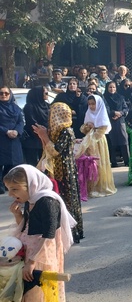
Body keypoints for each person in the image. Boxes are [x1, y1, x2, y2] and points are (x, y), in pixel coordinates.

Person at [5, 165, 75, 302]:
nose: (11, 194)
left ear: (31, 184)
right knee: (26, 297)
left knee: (38, 297)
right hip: (31, 251)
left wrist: (32, 261)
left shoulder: (47, 201)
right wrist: (18, 215)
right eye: (9, 189)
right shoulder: (32, 199)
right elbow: (28, 225)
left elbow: (49, 234)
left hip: (42, 254)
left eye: (15, 189)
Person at [34, 103, 83, 243]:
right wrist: (42, 135)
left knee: (67, 200)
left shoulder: (67, 131)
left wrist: (45, 136)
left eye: (53, 113)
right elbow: (48, 150)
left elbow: (55, 151)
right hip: (56, 170)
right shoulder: (55, 131)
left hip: (65, 171)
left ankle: (72, 233)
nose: (51, 116)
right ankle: (59, 232)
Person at [78, 95, 117, 197]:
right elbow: (83, 128)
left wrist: (93, 127)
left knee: (99, 163)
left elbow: (102, 130)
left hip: (98, 141)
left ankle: (100, 186)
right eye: (89, 104)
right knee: (90, 164)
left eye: (93, 104)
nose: (91, 106)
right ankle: (91, 187)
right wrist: (87, 127)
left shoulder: (102, 114)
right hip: (89, 142)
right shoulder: (88, 113)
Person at [0, 86, 24, 194]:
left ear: (10, 95)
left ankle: (8, 184)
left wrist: (17, 131)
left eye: (6, 93)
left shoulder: (16, 108)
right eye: (1, 93)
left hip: (14, 139)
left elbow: (21, 122)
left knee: (13, 163)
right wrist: (6, 131)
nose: (4, 95)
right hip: (2, 138)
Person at [103, 81, 130, 168]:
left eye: (114, 87)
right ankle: (113, 162)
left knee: (124, 141)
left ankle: (127, 161)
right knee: (111, 142)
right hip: (110, 121)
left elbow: (126, 108)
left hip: (120, 121)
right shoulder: (104, 98)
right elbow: (105, 109)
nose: (112, 89)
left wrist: (120, 113)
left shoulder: (120, 97)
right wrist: (114, 113)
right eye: (110, 87)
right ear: (107, 88)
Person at [22, 86, 49, 167]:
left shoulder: (47, 106)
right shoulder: (29, 106)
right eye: (46, 93)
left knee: (45, 166)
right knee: (33, 165)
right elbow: (32, 123)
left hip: (45, 139)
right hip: (32, 140)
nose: (47, 95)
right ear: (39, 94)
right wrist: (42, 130)